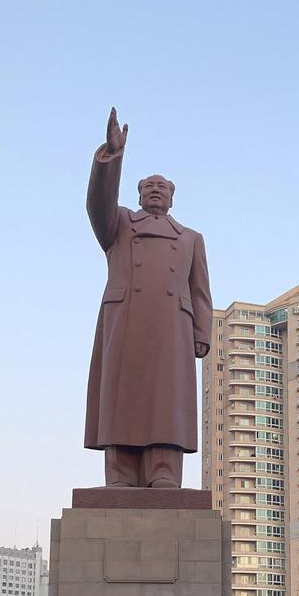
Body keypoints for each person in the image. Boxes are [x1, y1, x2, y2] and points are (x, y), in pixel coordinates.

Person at [84, 107, 213, 488]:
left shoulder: (190, 237)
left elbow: (200, 290)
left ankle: (164, 473)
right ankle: (120, 473)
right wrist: (112, 156)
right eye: (148, 188)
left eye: (163, 188)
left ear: (172, 199)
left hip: (173, 324)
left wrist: (201, 332)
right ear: (138, 195)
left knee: (166, 402)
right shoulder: (120, 223)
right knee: (122, 395)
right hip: (125, 318)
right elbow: (97, 204)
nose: (155, 191)